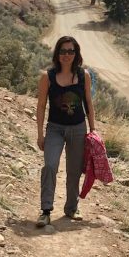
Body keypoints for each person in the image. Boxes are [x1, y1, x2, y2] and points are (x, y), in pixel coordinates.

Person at [35, 35, 95, 227]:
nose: (66, 55)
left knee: (74, 171)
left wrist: (93, 130)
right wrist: (40, 134)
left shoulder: (83, 75)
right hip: (55, 129)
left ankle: (71, 208)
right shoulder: (48, 77)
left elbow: (88, 103)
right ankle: (45, 210)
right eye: (63, 51)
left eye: (71, 51)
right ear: (57, 53)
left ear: (76, 54)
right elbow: (41, 105)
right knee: (50, 166)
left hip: (78, 129)